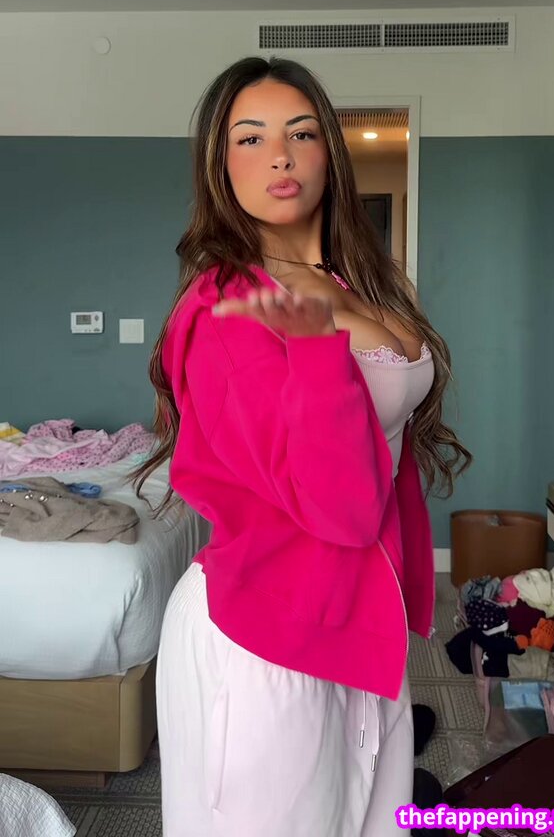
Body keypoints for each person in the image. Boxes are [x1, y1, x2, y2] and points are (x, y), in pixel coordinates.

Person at [130, 56, 471, 837]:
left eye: (301, 133)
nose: (279, 156)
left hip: (356, 621)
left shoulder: (344, 280)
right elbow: (336, 507)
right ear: (220, 167)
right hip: (266, 638)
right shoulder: (226, 307)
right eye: (251, 139)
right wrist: (316, 346)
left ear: (329, 153)